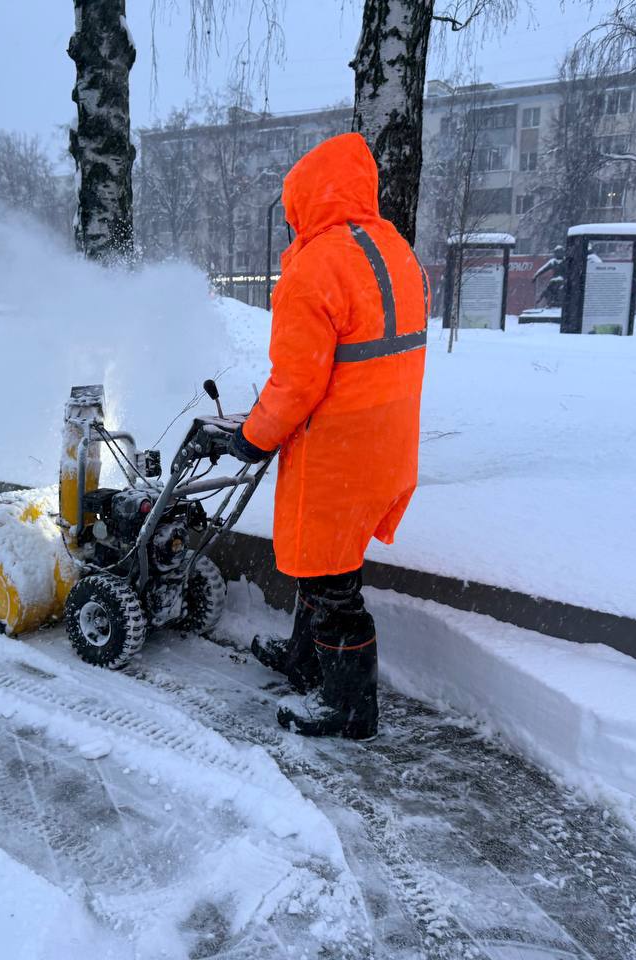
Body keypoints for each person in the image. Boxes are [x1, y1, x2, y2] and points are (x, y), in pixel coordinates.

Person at [229, 133, 428, 741]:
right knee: (330, 563)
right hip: (388, 444)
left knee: (332, 583)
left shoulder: (314, 268)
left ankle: (349, 708)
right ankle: (304, 659)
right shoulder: (397, 251)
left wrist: (254, 436)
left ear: (307, 200)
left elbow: (295, 381)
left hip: (338, 451)